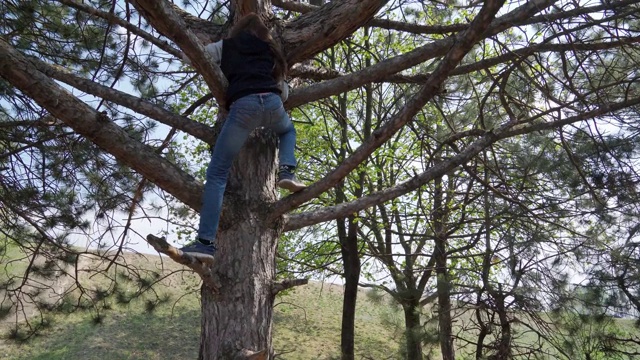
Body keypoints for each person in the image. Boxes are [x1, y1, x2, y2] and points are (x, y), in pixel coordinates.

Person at [179, 13, 306, 257]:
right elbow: (285, 93)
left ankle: (205, 244)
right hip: (271, 103)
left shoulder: (225, 46)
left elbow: (189, 56)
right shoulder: (270, 50)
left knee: (217, 174)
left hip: (243, 107)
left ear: (237, 30)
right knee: (288, 130)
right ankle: (287, 171)